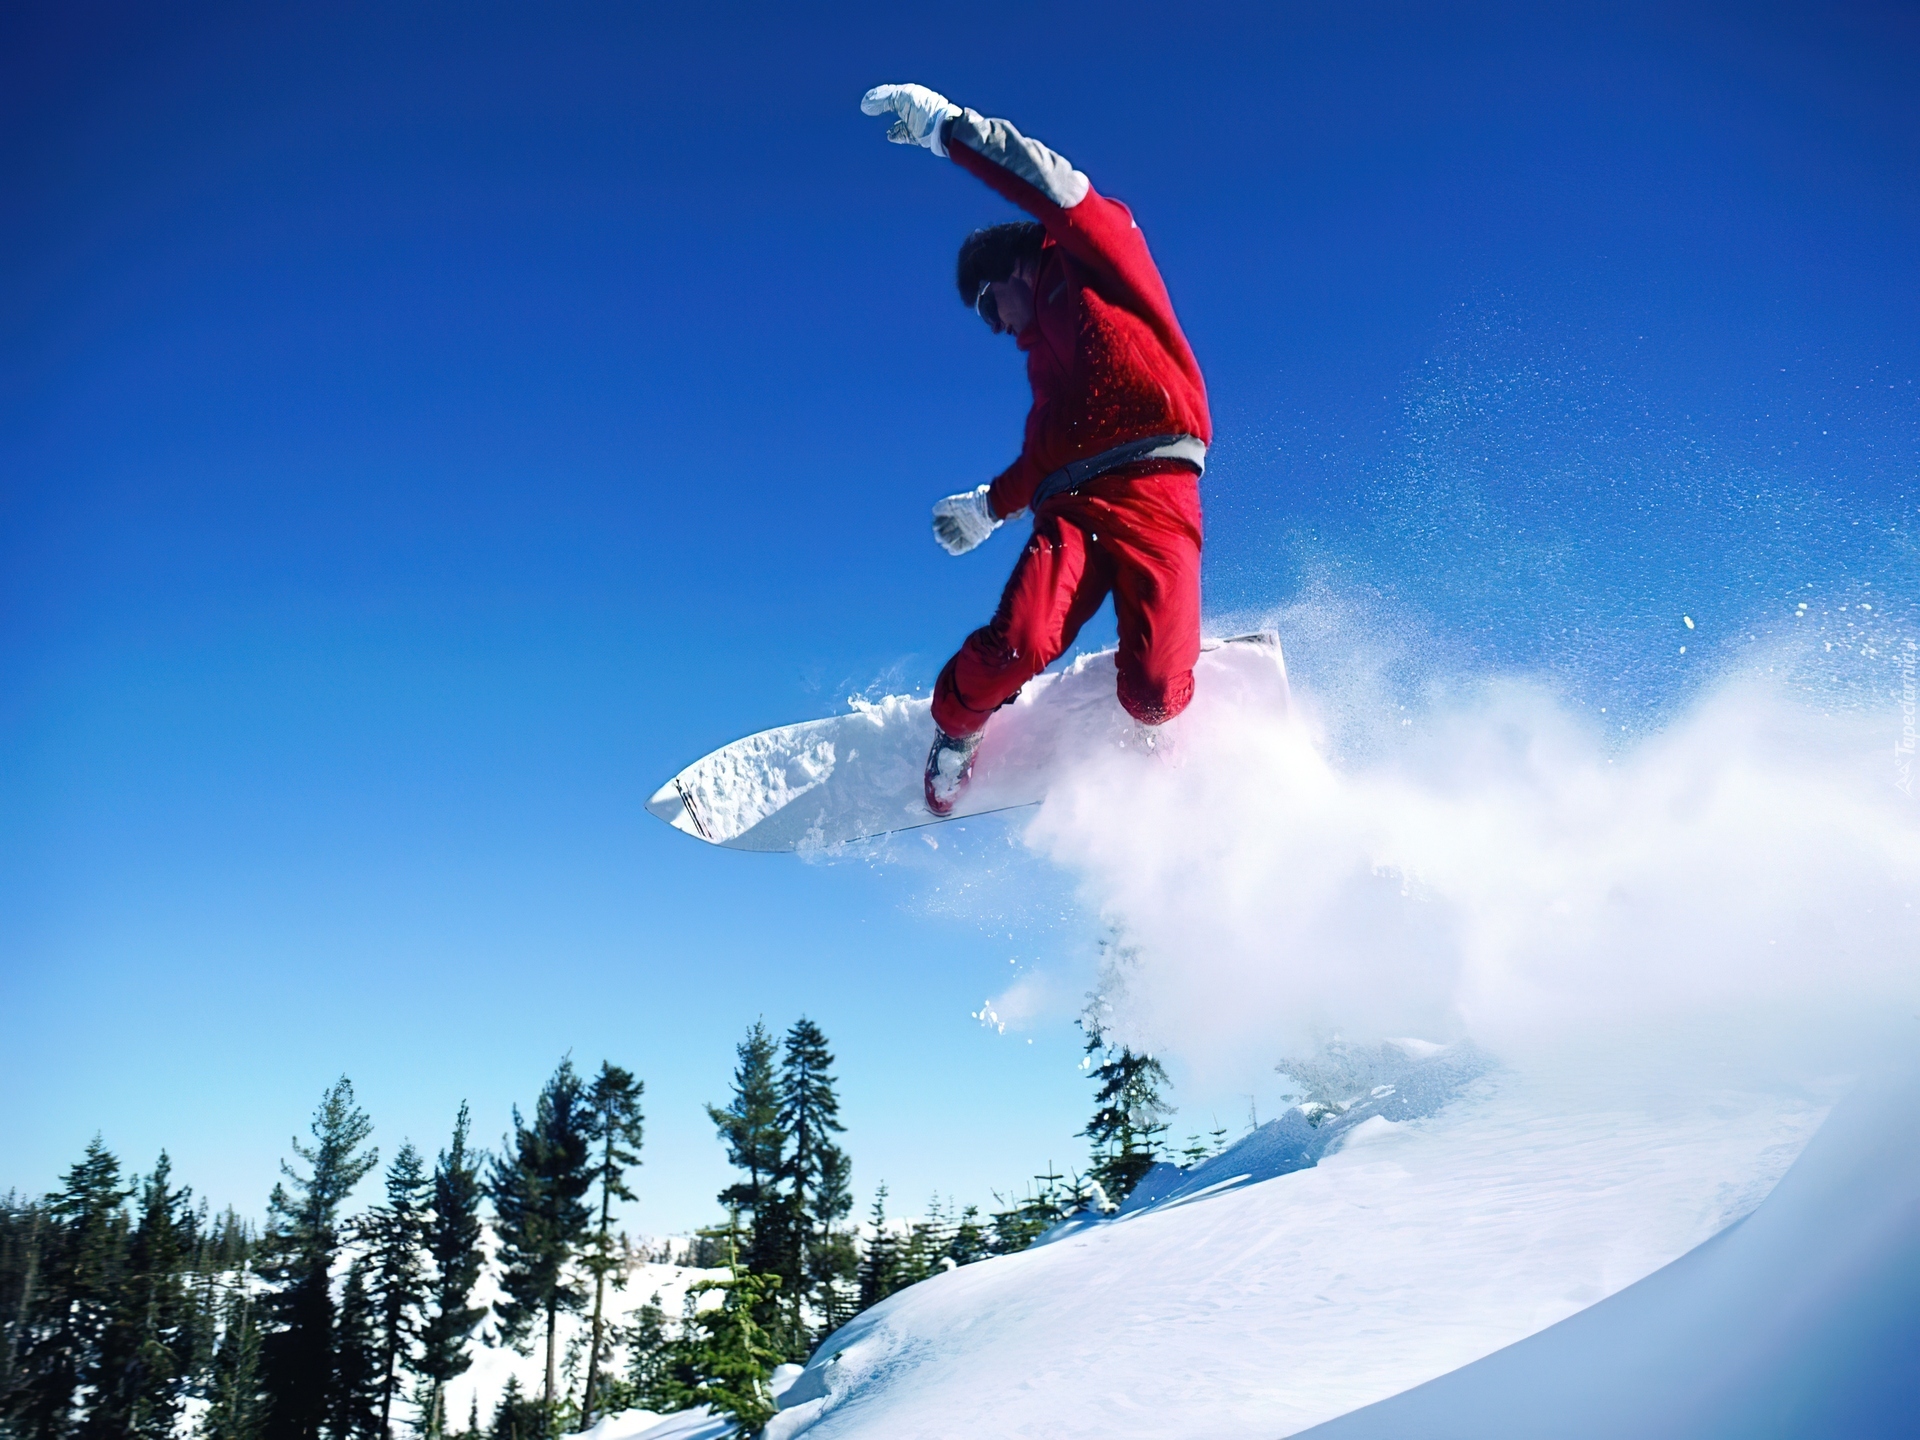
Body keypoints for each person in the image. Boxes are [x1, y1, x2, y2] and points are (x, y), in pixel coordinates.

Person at [859, 83, 1212, 816]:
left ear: (1007, 272)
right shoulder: (1045, 365)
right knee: (1017, 643)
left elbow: (1045, 178)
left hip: (1157, 489)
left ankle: (1154, 714)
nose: (997, 328)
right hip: (1074, 504)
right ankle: (955, 733)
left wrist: (949, 130)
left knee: (1152, 692)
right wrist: (989, 507)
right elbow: (1048, 452)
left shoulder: (1093, 251)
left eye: (989, 309)